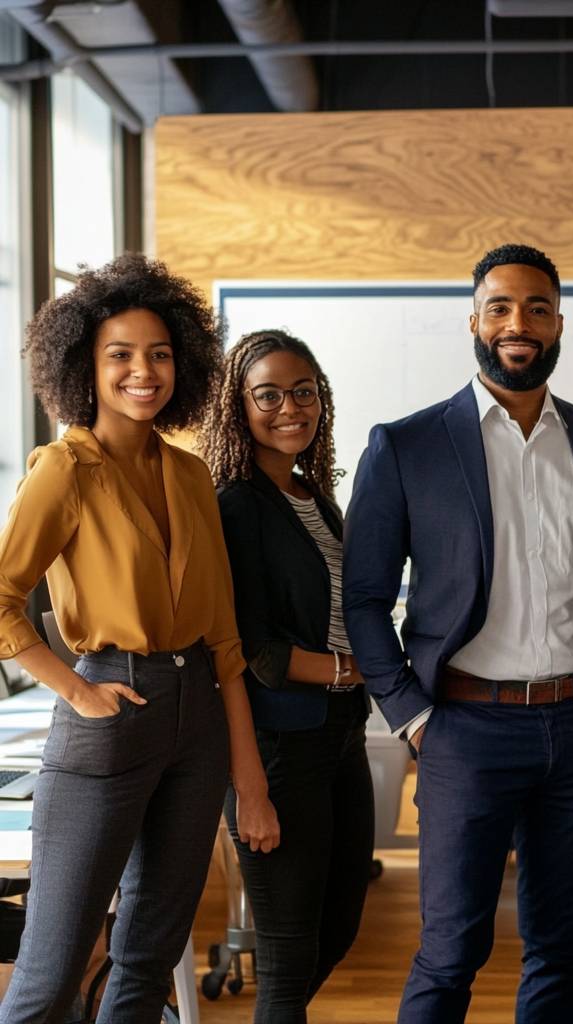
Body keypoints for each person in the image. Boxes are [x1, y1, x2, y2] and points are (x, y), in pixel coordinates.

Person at [343, 243, 573, 1023]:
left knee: (561, 947)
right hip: (463, 728)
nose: (519, 323)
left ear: (559, 325)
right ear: (474, 321)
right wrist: (413, 717)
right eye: (501, 307)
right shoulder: (407, 446)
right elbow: (363, 598)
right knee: (451, 949)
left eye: (538, 308)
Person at [0, 253, 278, 1024]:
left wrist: (246, 781)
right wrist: (76, 689)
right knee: (52, 971)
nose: (142, 371)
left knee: (149, 960)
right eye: (119, 354)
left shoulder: (189, 475)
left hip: (199, 721)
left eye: (158, 354)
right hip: (110, 709)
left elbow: (224, 640)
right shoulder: (63, 469)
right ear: (84, 365)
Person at [198, 329, 374, 1023]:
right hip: (277, 746)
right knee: (286, 952)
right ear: (238, 406)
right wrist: (343, 669)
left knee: (338, 929)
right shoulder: (235, 505)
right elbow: (246, 647)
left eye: (303, 392)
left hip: (339, 735)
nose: (289, 407)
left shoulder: (313, 497)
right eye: (267, 394)